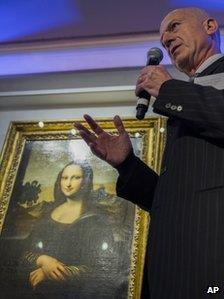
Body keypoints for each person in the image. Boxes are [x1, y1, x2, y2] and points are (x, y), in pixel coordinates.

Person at [74, 7, 224, 299]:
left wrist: (168, 90)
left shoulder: (183, 95)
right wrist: (127, 165)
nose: (167, 39)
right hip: (172, 271)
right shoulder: (188, 99)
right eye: (163, 37)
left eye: (174, 26)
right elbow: (176, 198)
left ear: (209, 26)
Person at [0, 160, 130, 299]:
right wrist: (43, 260)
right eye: (64, 177)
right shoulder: (47, 214)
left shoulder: (96, 220)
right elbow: (25, 252)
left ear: (85, 182)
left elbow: (101, 267)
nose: (68, 183)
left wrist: (50, 273)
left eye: (76, 178)